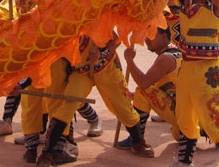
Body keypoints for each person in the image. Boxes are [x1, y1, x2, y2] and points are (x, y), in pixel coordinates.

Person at [0, 0, 70, 164]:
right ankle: (54, 150)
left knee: (30, 101)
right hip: (51, 48)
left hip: (24, 49)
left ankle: (31, 149)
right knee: (56, 99)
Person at [153, 0, 219, 167]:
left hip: (208, 72)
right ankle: (184, 161)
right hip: (186, 68)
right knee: (185, 118)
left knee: (215, 119)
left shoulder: (216, 2)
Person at [37, 33, 153, 165]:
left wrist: (102, 52)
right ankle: (47, 153)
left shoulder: (97, 16)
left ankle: (138, 142)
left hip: (106, 68)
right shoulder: (63, 23)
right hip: (81, 72)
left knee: (123, 106)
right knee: (68, 103)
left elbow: (116, 40)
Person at [116, 26, 181, 150]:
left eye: (150, 35)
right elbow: (158, 87)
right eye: (146, 35)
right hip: (186, 115)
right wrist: (131, 95)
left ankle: (135, 139)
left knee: (142, 90)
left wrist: (129, 61)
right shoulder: (174, 52)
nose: (146, 39)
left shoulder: (166, 58)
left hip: (180, 113)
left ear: (164, 36)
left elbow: (144, 84)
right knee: (177, 135)